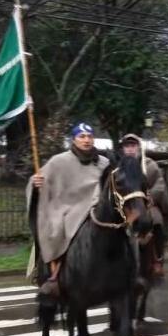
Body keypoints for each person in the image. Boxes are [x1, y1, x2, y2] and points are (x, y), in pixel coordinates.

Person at [29, 122, 110, 300]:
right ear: (73, 140)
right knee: (58, 228)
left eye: (89, 136)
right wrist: (36, 184)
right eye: (82, 136)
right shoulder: (58, 161)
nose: (86, 140)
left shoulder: (104, 163)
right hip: (66, 207)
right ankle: (54, 274)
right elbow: (40, 180)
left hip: (97, 206)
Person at [119, 133, 168, 277]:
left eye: (133, 145)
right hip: (125, 206)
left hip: (147, 204)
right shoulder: (118, 166)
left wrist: (149, 198)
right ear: (123, 148)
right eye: (127, 146)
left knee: (157, 221)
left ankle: (157, 260)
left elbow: (159, 185)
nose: (130, 149)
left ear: (138, 147)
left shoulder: (149, 165)